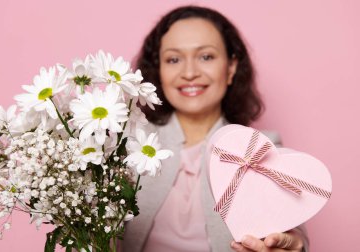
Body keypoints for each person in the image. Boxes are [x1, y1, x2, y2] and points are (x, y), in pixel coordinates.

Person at [123, 5, 309, 252]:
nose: (189, 72)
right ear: (159, 70)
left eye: (206, 56)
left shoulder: (261, 149)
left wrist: (293, 245)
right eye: (174, 59)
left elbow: (295, 234)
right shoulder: (126, 143)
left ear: (231, 68)